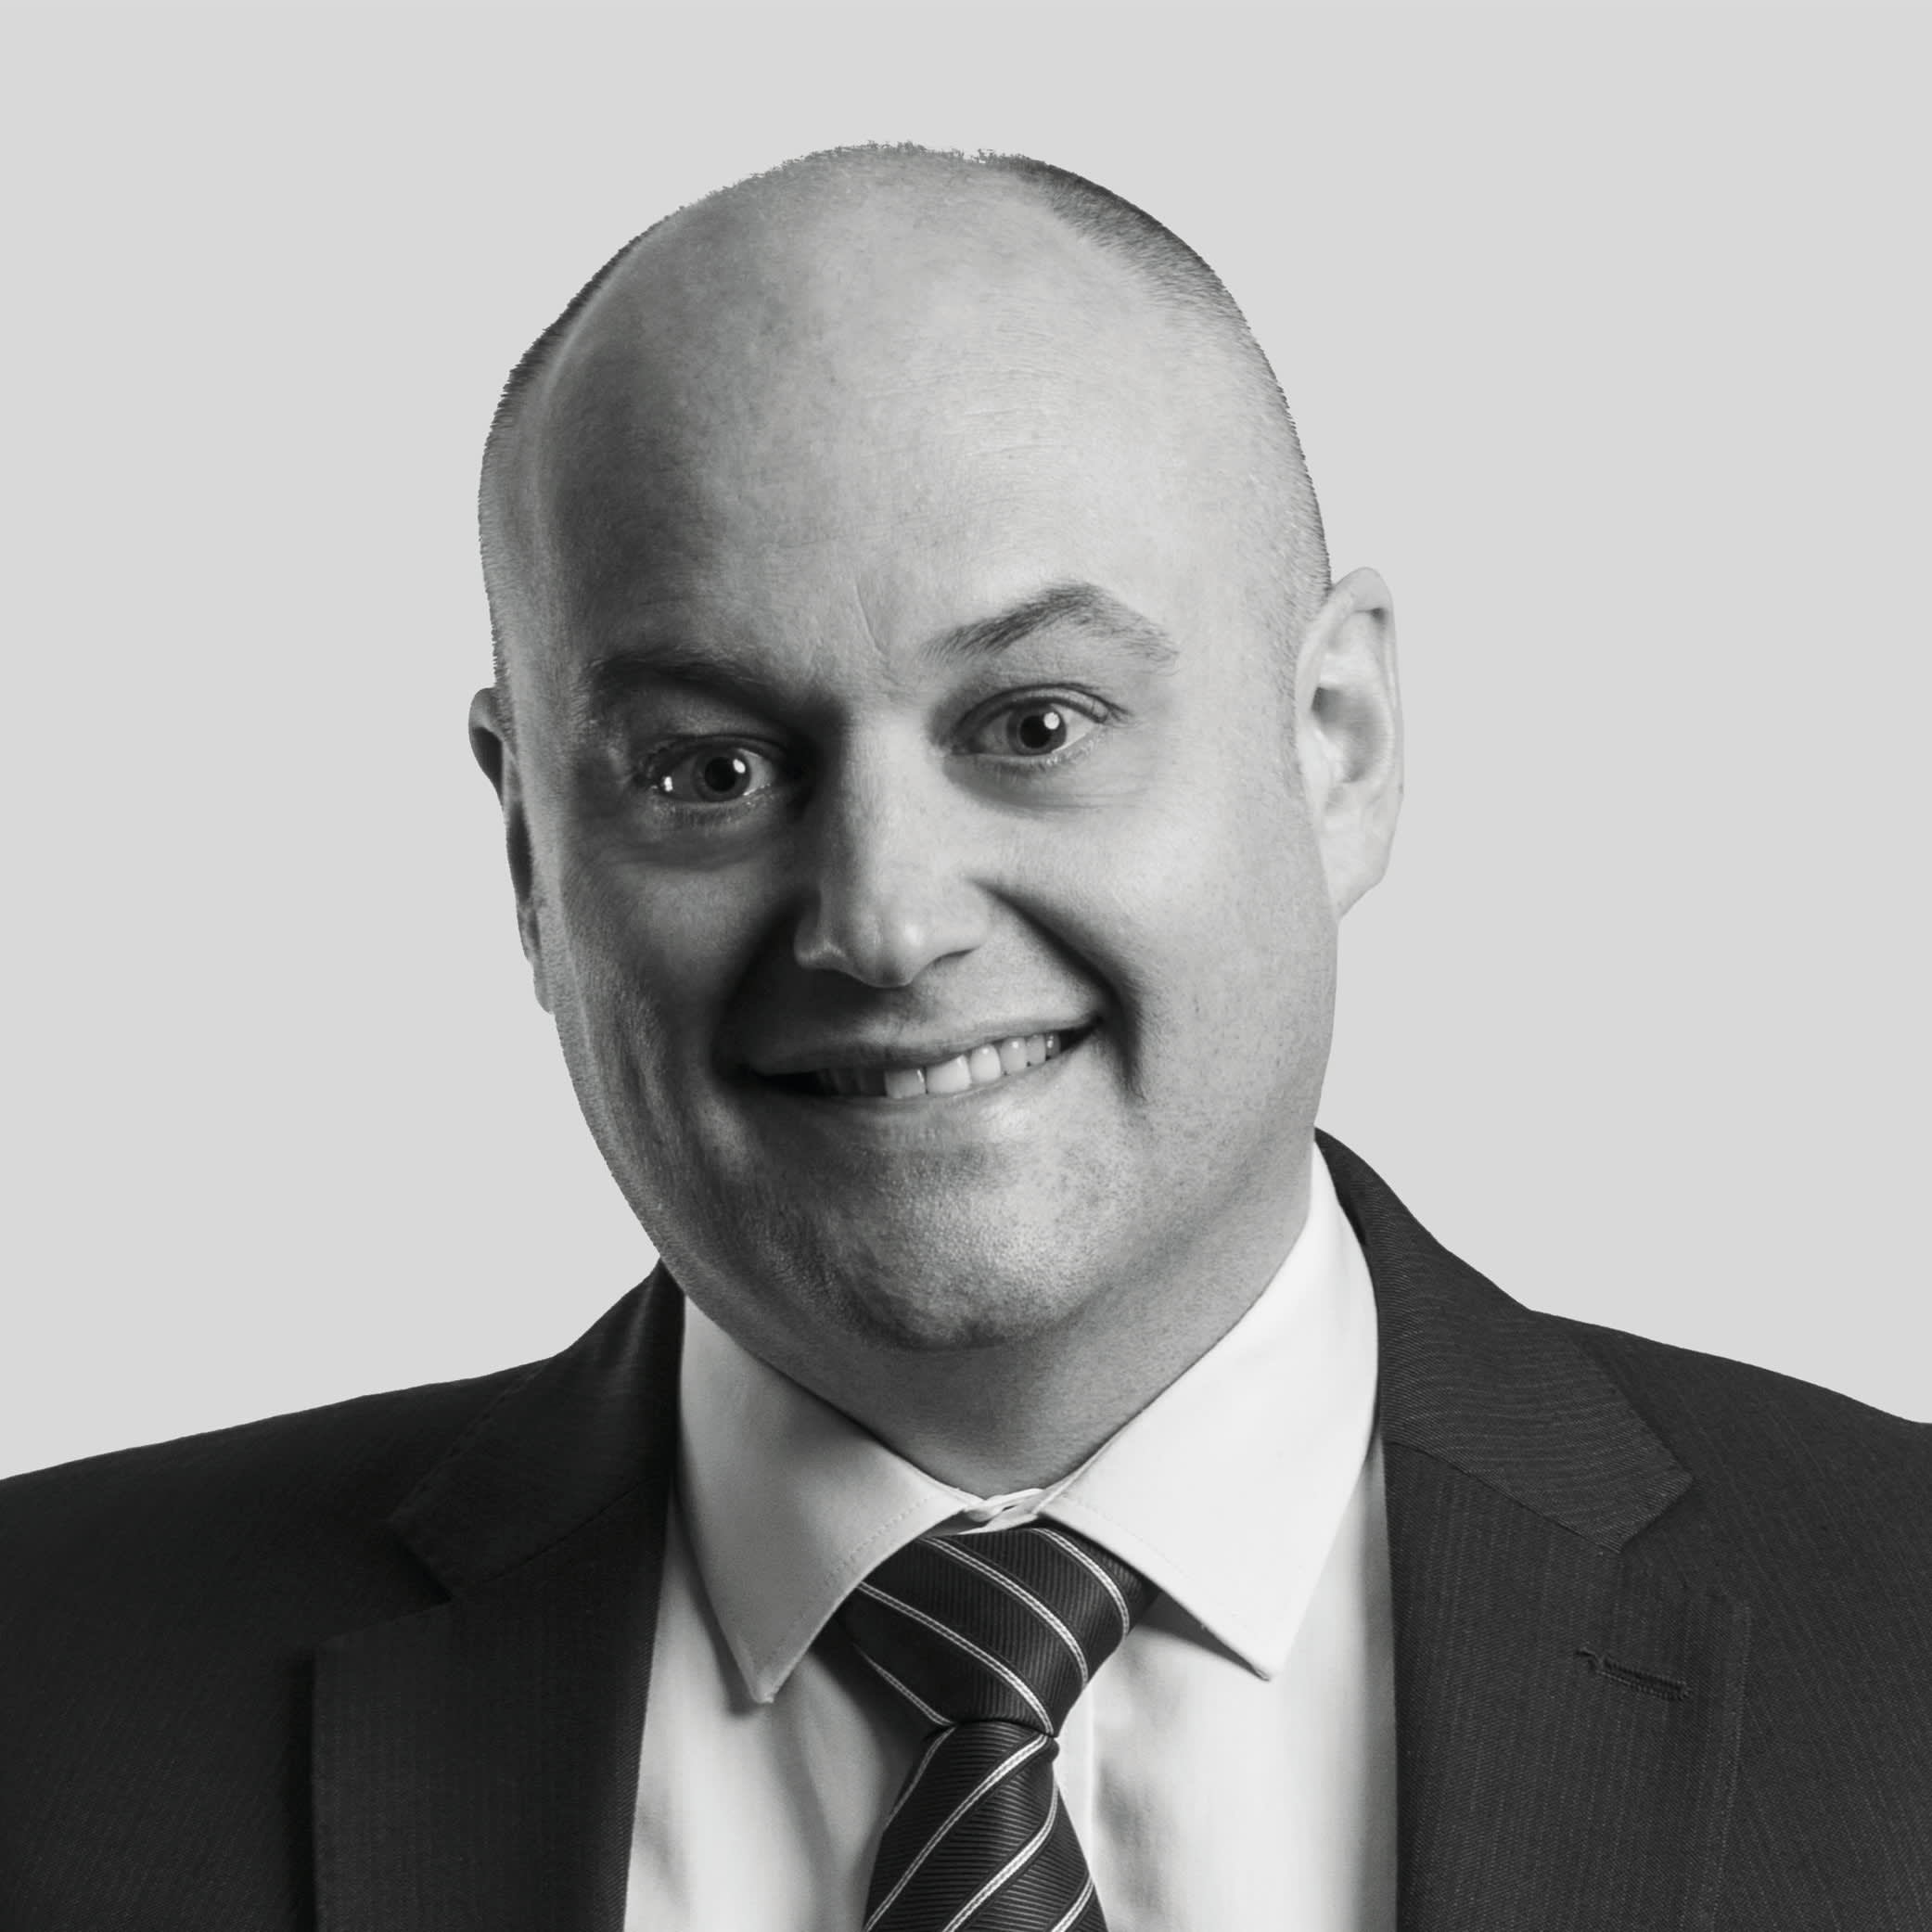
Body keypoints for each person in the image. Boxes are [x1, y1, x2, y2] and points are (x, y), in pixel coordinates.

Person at [1, 144, 1927, 1932]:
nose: (884, 921)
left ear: (1336, 744)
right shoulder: (47, 1698)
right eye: (708, 767)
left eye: (1033, 725)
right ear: (529, 851)